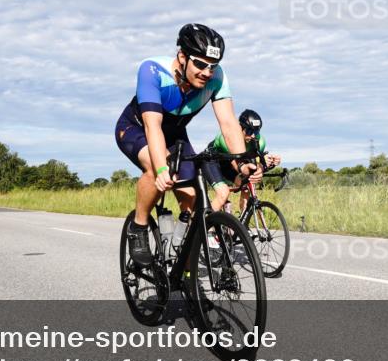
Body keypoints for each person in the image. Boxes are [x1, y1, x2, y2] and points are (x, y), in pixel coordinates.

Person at [115, 24, 260, 267]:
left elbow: (228, 123)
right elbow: (153, 127)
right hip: (137, 128)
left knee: (191, 195)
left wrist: (243, 162)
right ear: (182, 57)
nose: (207, 72)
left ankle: (180, 256)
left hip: (175, 134)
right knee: (154, 166)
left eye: (212, 66)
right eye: (200, 64)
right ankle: (138, 227)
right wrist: (162, 169)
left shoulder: (218, 78)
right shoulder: (152, 70)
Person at [205, 109, 282, 213]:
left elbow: (256, 161)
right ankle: (204, 226)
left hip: (231, 164)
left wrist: (267, 163)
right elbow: (237, 164)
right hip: (213, 162)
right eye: (250, 131)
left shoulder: (259, 141)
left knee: (247, 184)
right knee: (223, 194)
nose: (254, 135)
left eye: (256, 131)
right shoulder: (226, 137)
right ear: (239, 128)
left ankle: (243, 223)